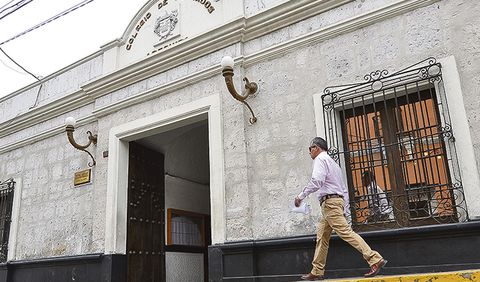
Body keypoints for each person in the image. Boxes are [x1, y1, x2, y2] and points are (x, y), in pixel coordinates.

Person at [295, 137, 387, 280]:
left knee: (345, 233)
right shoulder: (334, 164)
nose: (309, 152)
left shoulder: (320, 159)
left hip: (330, 204)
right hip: (333, 204)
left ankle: (374, 258)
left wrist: (301, 196)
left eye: (310, 148)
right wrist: (345, 209)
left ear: (317, 148)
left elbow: (317, 181)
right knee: (322, 236)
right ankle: (317, 271)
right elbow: (343, 190)